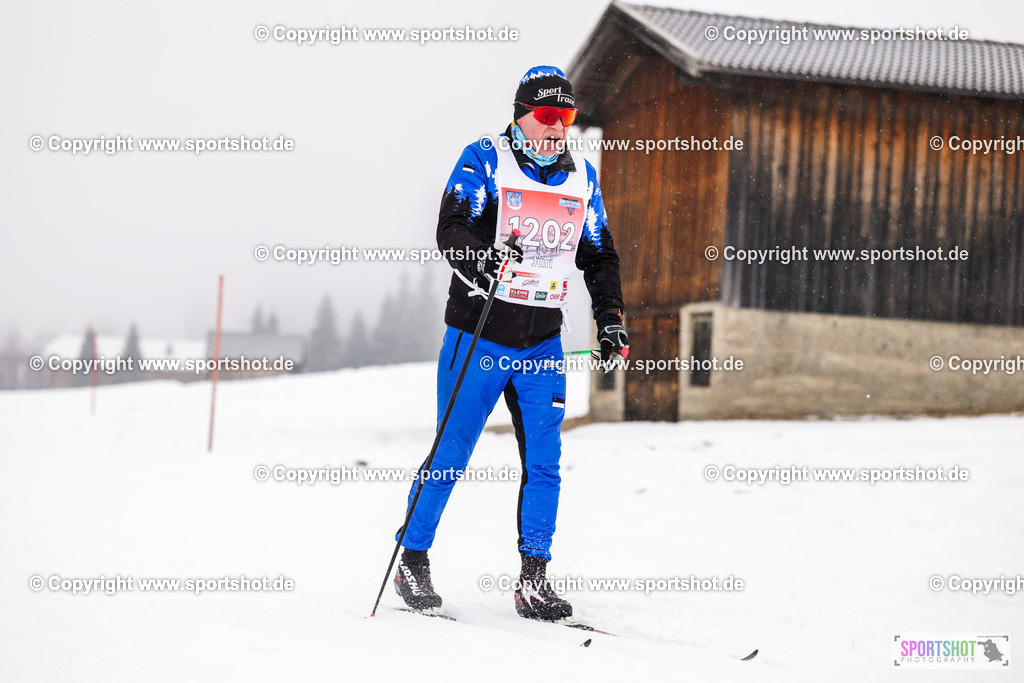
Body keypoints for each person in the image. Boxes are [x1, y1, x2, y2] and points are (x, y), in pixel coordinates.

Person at [393, 65, 629, 620]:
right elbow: (451, 227)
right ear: (522, 114)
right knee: (451, 455)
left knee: (545, 462)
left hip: (542, 341)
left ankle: (533, 579)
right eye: (547, 116)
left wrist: (611, 316)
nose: (557, 128)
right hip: (479, 335)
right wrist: (484, 258)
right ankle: (413, 558)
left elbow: (599, 254)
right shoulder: (484, 159)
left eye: (566, 118)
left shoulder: (581, 178)